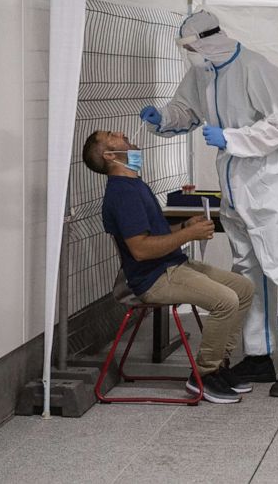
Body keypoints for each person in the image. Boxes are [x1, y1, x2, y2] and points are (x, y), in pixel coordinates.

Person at [139, 10, 278, 397]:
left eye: (190, 47)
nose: (189, 55)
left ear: (208, 38)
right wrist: (163, 118)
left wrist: (233, 138)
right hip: (235, 189)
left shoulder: (256, 68)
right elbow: (186, 111)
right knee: (247, 272)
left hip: (271, 187)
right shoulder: (203, 72)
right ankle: (259, 355)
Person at [82, 129, 255, 404]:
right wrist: (188, 235)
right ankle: (204, 376)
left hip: (172, 265)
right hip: (154, 278)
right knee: (226, 301)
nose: (121, 133)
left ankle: (219, 364)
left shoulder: (135, 184)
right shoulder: (122, 193)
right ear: (110, 156)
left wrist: (184, 226)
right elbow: (140, 250)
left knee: (244, 288)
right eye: (111, 136)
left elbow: (153, 235)